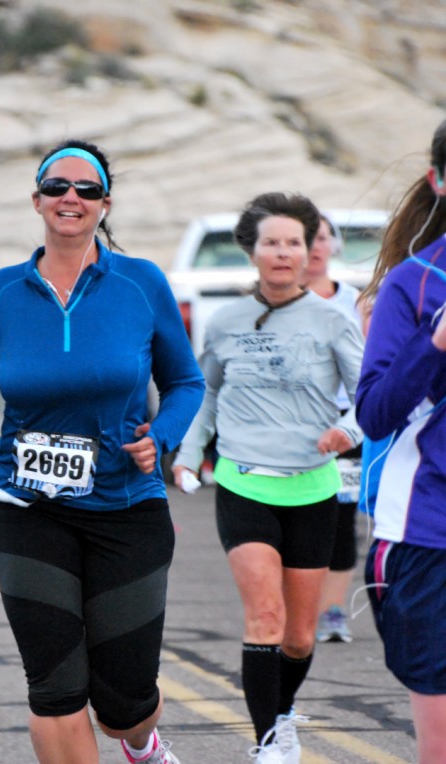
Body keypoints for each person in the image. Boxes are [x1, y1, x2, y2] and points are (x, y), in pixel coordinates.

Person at [0, 139, 205, 764]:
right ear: (36, 200)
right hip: (25, 507)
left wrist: (160, 439)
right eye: (57, 186)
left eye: (86, 189)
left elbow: (185, 383)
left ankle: (143, 744)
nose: (71, 198)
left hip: (126, 506)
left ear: (104, 204)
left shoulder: (140, 283)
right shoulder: (3, 291)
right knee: (56, 686)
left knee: (122, 701)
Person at [172, 192, 365, 763]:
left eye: (294, 243)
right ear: (252, 252)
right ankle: (267, 744)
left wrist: (346, 433)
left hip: (312, 487)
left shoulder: (334, 319)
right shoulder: (226, 321)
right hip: (243, 480)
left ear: (310, 253)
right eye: (271, 243)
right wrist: (188, 455)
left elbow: (365, 398)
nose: (283, 253)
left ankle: (280, 717)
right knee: (265, 617)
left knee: (300, 636)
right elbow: (205, 392)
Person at [357, 117, 446, 764]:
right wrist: (435, 342)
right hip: (429, 534)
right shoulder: (412, 284)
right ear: (438, 181)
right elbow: (376, 412)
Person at [301, 214, 364, 644]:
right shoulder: (277, 299)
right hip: (292, 429)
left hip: (346, 430)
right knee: (301, 522)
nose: (316, 245)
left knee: (342, 520)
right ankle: (298, 607)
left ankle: (335, 611)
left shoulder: (356, 301)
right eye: (307, 238)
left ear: (334, 245)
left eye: (323, 237)